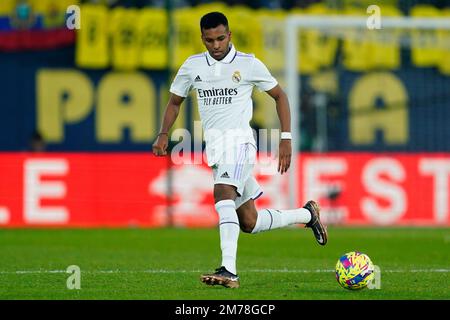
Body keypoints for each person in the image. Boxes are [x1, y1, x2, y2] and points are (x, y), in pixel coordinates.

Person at [152, 11, 327, 289]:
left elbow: (279, 96)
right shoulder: (192, 66)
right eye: (210, 40)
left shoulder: (248, 64)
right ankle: (308, 215)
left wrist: (285, 138)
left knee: (222, 194)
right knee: (249, 221)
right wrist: (163, 134)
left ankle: (229, 271)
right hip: (217, 150)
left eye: (221, 38)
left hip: (240, 144)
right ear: (202, 39)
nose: (216, 45)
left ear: (230, 35)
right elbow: (175, 102)